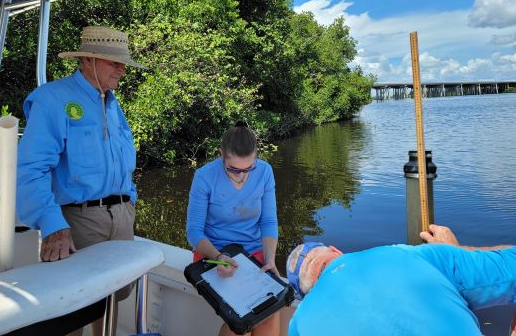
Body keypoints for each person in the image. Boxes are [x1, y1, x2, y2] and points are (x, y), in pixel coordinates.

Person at [16, 26, 144, 335]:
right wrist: (53, 225)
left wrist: (130, 203)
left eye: (123, 63)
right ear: (88, 59)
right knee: (72, 309)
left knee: (113, 299)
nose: (122, 69)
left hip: (121, 218)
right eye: (114, 62)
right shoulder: (52, 98)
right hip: (78, 221)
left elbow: (124, 166)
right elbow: (31, 168)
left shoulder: (113, 104)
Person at [286, 224, 516, 336]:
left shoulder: (299, 324)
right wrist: (456, 251)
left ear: (306, 294)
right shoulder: (405, 253)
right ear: (336, 251)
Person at [186, 122, 280, 336]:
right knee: (241, 321)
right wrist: (219, 257)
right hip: (213, 254)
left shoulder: (265, 171)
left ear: (256, 156)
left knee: (270, 312)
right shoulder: (204, 177)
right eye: (234, 169)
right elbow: (194, 232)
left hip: (253, 252)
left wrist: (270, 259)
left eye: (248, 168)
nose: (242, 176)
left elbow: (268, 222)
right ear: (221, 155)